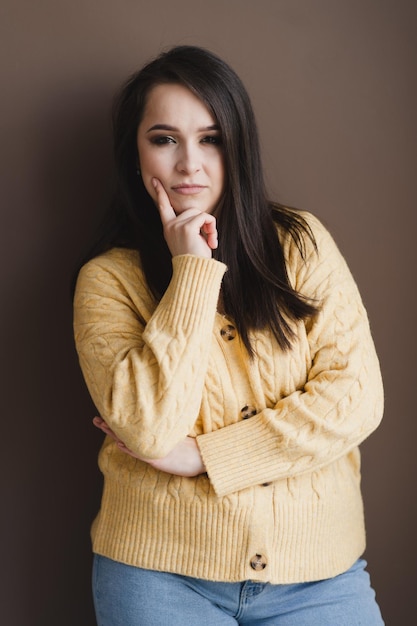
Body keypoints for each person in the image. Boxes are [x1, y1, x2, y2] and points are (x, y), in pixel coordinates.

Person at [73, 45, 385, 625]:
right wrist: (191, 271)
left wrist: (204, 457)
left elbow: (357, 398)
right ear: (133, 151)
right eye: (164, 139)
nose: (189, 162)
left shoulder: (300, 243)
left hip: (318, 573)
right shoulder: (107, 280)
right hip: (158, 575)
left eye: (210, 138)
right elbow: (146, 426)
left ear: (237, 146)